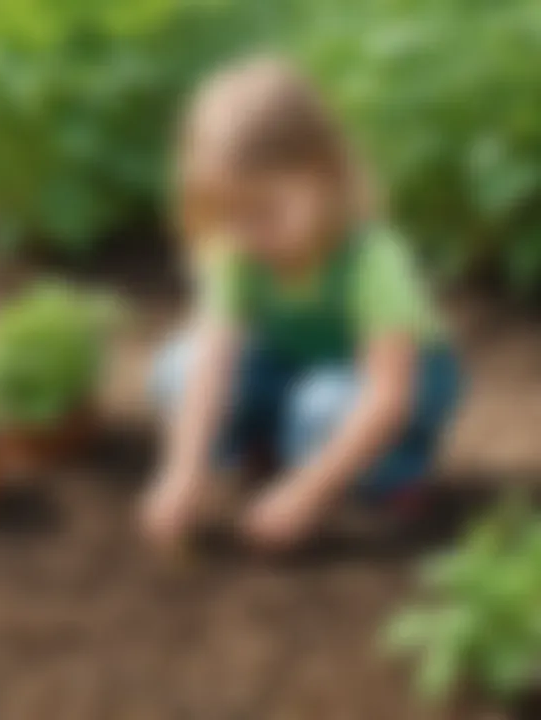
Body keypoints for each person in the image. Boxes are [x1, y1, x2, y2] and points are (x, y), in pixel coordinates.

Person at [141, 57, 463, 552]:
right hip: (298, 369)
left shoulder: (372, 259)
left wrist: (308, 492)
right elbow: (211, 365)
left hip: (393, 388)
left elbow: (387, 396)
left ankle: (393, 474)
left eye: (267, 212)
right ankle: (272, 450)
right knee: (176, 371)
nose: (248, 233)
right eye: (227, 215)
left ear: (325, 177)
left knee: (322, 408)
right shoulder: (234, 251)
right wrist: (182, 473)